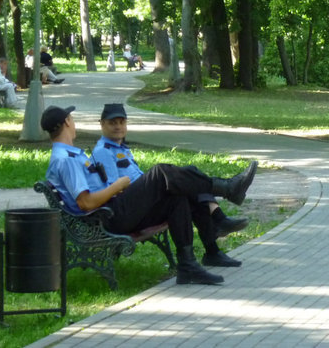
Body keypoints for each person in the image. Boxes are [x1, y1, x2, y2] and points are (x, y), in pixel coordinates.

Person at [42, 104, 257, 284]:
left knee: (176, 196)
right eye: (72, 118)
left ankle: (187, 266)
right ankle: (226, 188)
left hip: (114, 211)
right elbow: (86, 203)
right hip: (109, 216)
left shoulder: (70, 154)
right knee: (161, 172)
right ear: (68, 122)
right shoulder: (66, 159)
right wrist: (117, 186)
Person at [92, 103, 248, 267]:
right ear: (102, 124)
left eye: (121, 122)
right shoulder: (103, 151)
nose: (118, 127)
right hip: (121, 211)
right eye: (112, 123)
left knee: (184, 188)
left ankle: (211, 251)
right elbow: (113, 189)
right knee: (163, 172)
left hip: (137, 205)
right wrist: (148, 187)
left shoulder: (122, 149)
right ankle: (225, 195)